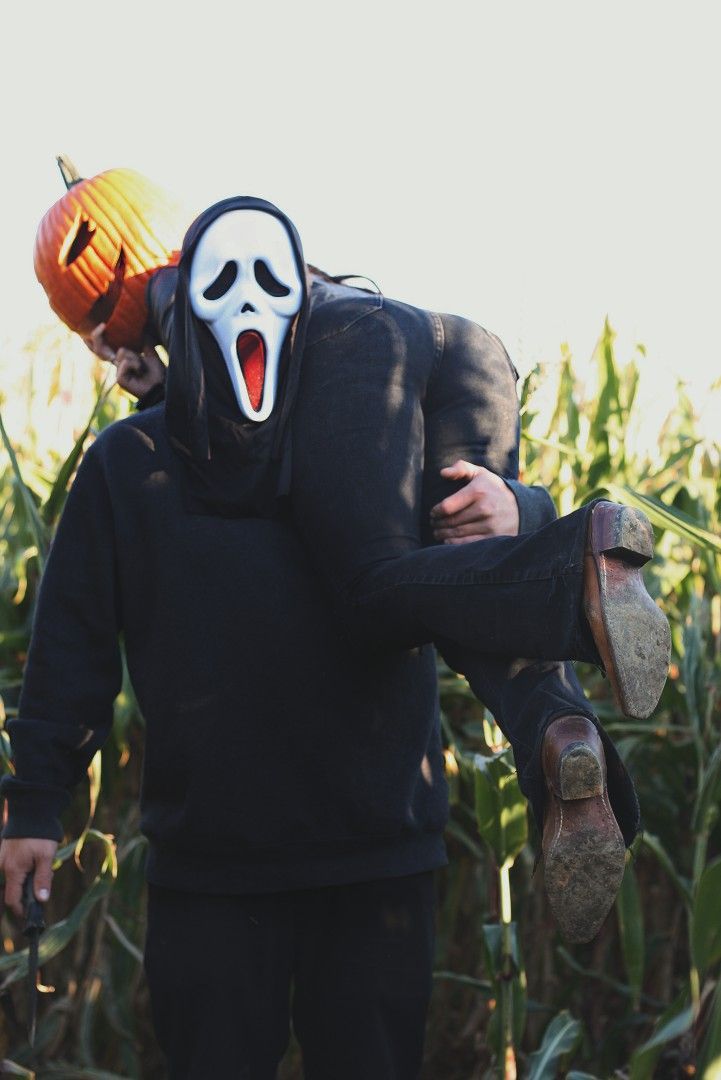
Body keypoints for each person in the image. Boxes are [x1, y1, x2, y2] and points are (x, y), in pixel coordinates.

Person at [0, 196, 669, 1078]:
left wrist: (521, 508)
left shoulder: (339, 438)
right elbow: (77, 636)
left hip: (332, 868)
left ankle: (563, 605)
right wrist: (37, 799)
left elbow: (73, 645)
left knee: (387, 580)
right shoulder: (154, 460)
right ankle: (555, 717)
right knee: (444, 570)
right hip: (259, 868)